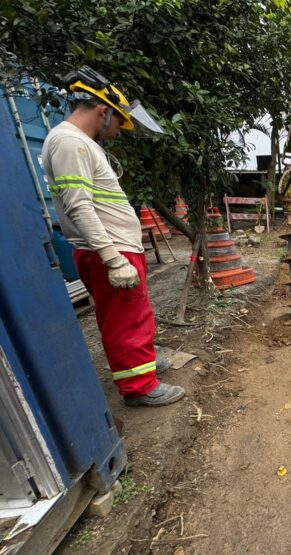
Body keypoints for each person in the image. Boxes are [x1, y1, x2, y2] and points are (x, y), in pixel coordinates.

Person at [42, 66, 185, 407]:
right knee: (125, 320)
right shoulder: (68, 143)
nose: (119, 131)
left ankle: (143, 365)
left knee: (134, 314)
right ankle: (139, 387)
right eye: (120, 122)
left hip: (115, 249)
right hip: (110, 252)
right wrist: (112, 258)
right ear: (102, 111)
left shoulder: (77, 144)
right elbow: (78, 207)